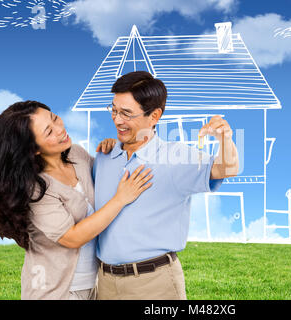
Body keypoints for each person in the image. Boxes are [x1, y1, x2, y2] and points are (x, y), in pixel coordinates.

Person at [0, 100, 153, 300]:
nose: (60, 129)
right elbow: (72, 238)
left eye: (55, 119)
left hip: (95, 285)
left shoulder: (77, 154)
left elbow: (106, 182)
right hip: (54, 291)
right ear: (34, 149)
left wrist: (111, 150)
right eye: (49, 132)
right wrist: (121, 199)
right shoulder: (35, 189)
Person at [94, 71, 240, 300]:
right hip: (104, 283)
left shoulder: (176, 157)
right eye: (113, 110)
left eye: (126, 113)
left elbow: (226, 169)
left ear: (154, 116)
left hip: (153, 285)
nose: (117, 120)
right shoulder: (104, 157)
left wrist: (225, 139)